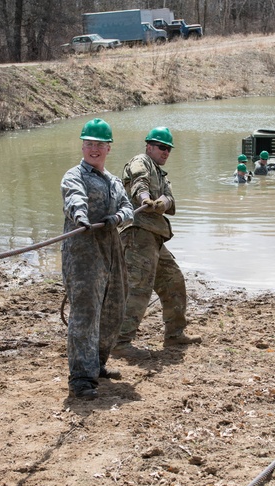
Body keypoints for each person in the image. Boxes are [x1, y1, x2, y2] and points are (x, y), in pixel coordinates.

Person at [60, 118, 134, 400]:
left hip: (111, 251)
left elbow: (129, 207)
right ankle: (80, 378)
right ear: (82, 146)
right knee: (85, 314)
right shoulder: (73, 176)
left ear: (108, 149)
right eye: (89, 144)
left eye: (99, 145)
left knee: (114, 310)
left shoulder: (114, 181)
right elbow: (73, 198)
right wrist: (80, 216)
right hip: (82, 253)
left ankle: (97, 364)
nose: (93, 149)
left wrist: (118, 217)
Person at [113, 126, 201, 359]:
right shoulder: (140, 162)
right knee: (138, 288)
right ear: (149, 146)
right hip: (137, 233)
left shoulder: (161, 173)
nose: (165, 152)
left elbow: (170, 199)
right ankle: (120, 342)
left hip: (154, 235)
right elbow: (138, 185)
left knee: (173, 280)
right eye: (161, 147)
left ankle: (174, 334)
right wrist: (146, 199)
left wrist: (162, 202)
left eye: (168, 149)